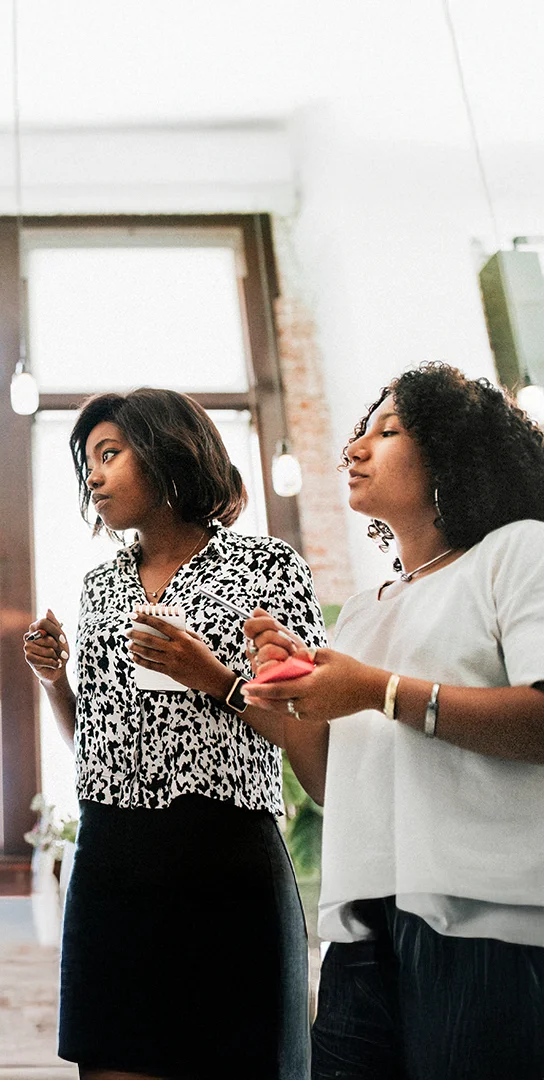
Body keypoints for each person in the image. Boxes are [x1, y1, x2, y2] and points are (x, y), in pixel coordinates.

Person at [242, 363, 544, 1079]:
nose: (354, 449)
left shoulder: (517, 551)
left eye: (388, 431)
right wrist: (287, 704)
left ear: (451, 452)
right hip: (360, 928)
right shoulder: (366, 608)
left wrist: (376, 690)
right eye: (358, 433)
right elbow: (333, 788)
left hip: (487, 918)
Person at [24, 387, 326, 1080]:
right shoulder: (99, 586)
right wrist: (54, 680)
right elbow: (94, 745)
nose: (93, 476)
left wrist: (215, 678)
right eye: (87, 463)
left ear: (166, 453)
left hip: (225, 858)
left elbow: (310, 734)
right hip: (112, 862)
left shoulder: (267, 567)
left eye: (109, 454)